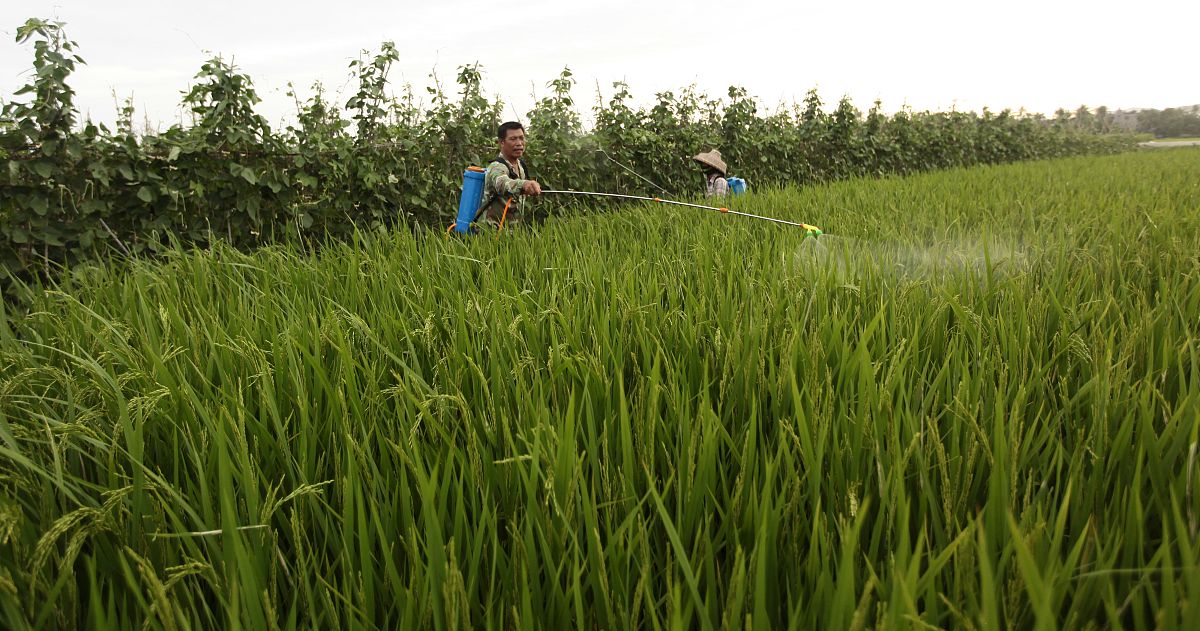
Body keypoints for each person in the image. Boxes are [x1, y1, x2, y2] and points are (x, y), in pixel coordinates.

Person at [478, 121, 542, 228]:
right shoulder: (496, 167)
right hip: (490, 233)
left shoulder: (521, 166)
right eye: (513, 139)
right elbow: (501, 183)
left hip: (511, 232)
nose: (519, 143)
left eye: (521, 138)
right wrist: (524, 184)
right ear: (502, 142)